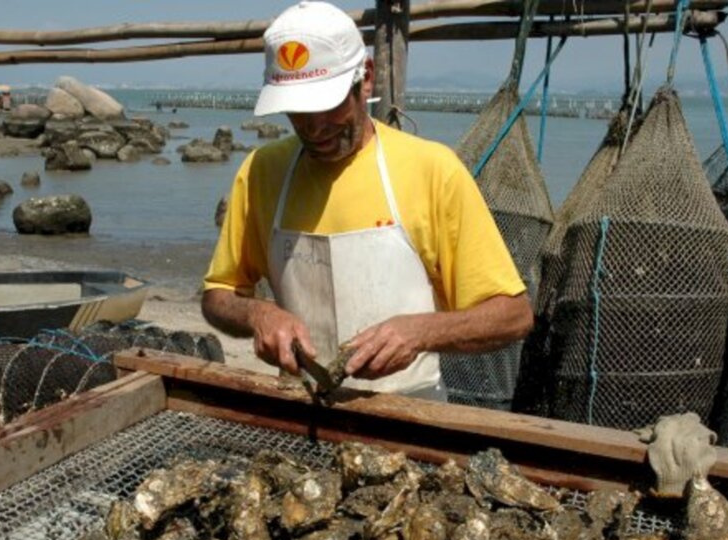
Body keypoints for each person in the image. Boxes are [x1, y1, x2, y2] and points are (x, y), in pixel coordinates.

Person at [202, 0, 533, 401]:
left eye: (328, 103)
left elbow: (513, 315)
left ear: (367, 79)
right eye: (297, 109)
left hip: (410, 407)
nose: (314, 125)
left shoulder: (431, 169)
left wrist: (421, 331)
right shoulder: (261, 171)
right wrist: (258, 314)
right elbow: (218, 295)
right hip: (301, 406)